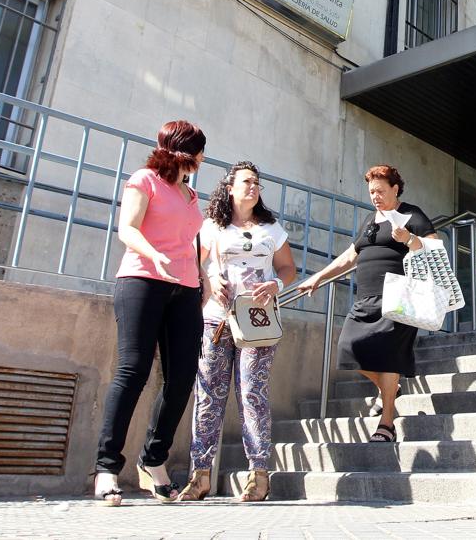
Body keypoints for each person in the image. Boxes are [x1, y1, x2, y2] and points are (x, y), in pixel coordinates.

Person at [93, 120, 207, 506]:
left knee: (182, 378)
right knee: (133, 371)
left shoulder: (190, 195)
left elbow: (191, 243)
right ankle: (107, 468)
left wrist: (203, 279)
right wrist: (153, 253)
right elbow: (127, 228)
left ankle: (153, 460)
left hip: (186, 290)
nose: (203, 157)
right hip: (142, 280)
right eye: (200, 150)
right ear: (186, 151)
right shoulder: (145, 179)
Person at [178, 162, 297, 503]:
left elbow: (288, 268)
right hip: (216, 320)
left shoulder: (272, 228)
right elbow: (195, 263)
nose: (253, 187)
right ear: (230, 187)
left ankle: (259, 475)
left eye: (257, 182)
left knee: (252, 394)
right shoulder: (212, 225)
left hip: (257, 322)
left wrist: (275, 283)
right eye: (246, 181)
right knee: (208, 396)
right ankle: (200, 476)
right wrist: (211, 277)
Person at [296, 165, 437, 444]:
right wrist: (318, 277)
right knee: (348, 347)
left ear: (395, 189)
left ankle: (387, 423)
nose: (375, 196)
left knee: (389, 359)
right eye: (371, 191)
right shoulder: (370, 220)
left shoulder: (412, 214)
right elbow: (351, 256)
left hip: (399, 297)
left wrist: (408, 239)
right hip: (366, 299)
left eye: (380, 191)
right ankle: (389, 390)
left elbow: (435, 250)